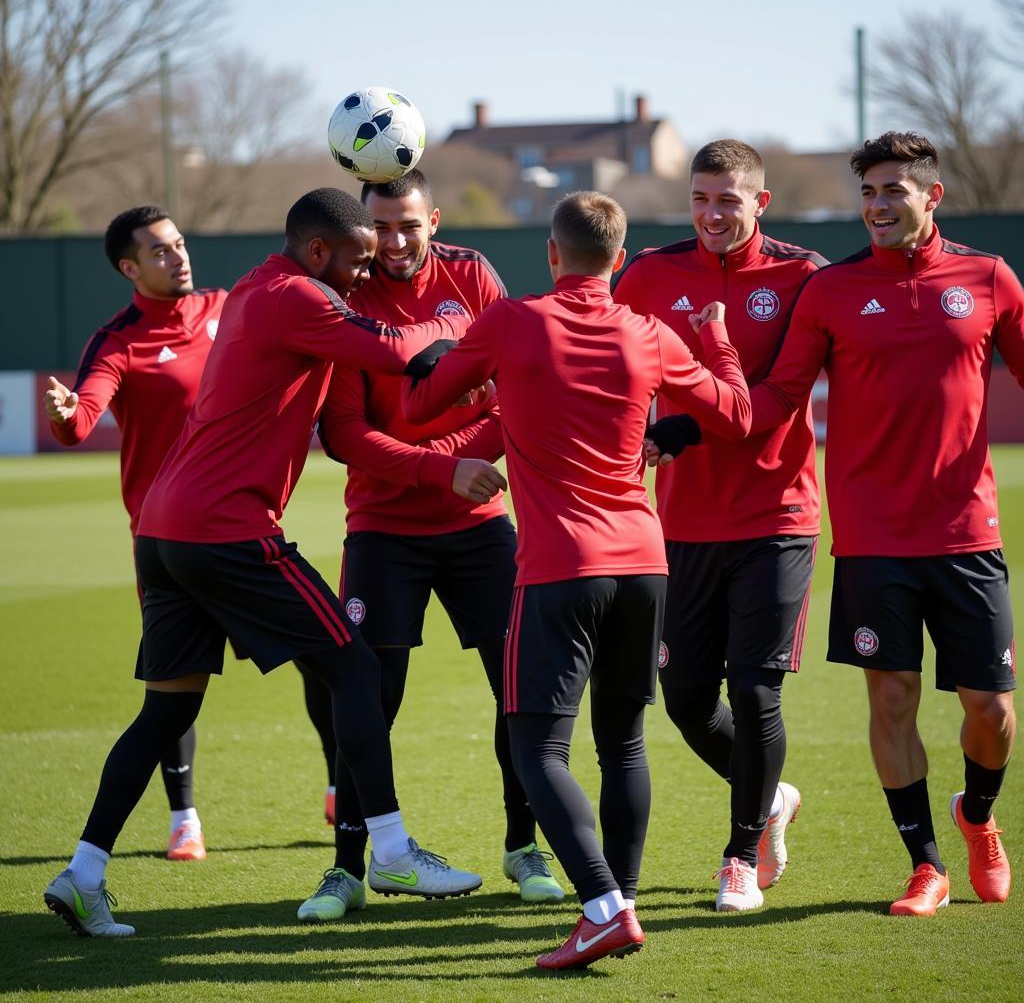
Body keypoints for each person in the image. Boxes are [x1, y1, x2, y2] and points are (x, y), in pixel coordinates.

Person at [42, 188, 485, 938]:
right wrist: (458, 318)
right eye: (357, 260)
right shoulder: (297, 295)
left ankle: (83, 874)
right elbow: (389, 349)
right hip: (226, 529)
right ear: (319, 252)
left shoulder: (254, 287)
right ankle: (392, 851)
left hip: (163, 531)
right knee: (353, 670)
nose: (363, 276)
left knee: (167, 710)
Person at [401, 191, 752, 969]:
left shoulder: (512, 323)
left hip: (560, 569)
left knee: (537, 750)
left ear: (553, 256)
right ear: (619, 262)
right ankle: (619, 901)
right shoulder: (650, 332)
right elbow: (735, 414)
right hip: (646, 564)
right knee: (623, 742)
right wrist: (719, 340)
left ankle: (600, 907)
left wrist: (474, 379)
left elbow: (421, 408)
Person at [694, 132, 1022, 916]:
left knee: (994, 710)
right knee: (893, 700)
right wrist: (697, 408)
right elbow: (776, 400)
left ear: (931, 196)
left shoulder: (988, 278)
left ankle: (976, 816)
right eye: (868, 192)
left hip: (967, 533)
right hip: (873, 539)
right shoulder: (832, 290)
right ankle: (926, 865)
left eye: (893, 192)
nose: (876, 206)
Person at [295, 169, 563, 923]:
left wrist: (461, 468)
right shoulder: (344, 297)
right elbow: (343, 431)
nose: (397, 241)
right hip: (383, 528)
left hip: (480, 526)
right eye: (381, 227)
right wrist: (443, 468)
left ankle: (524, 847)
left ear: (433, 219)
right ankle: (349, 868)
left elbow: (522, 388)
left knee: (518, 689)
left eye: (410, 224)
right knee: (368, 699)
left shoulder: (473, 275)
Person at [612, 140, 827, 911]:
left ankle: (739, 858)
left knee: (756, 688)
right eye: (701, 200)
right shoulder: (647, 275)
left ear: (759, 203)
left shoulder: (803, 277)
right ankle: (772, 798)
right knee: (686, 699)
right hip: (682, 523)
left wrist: (675, 433)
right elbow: (614, 371)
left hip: (778, 515)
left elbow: (774, 399)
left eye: (728, 201)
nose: (712, 215)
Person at [44, 206, 225, 864]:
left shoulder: (228, 310)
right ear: (130, 268)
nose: (177, 256)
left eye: (178, 243)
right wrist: (68, 415)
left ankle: (339, 794)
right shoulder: (117, 339)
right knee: (176, 686)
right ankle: (184, 820)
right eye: (158, 251)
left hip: (244, 528)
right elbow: (81, 417)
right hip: (167, 544)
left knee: (330, 659)